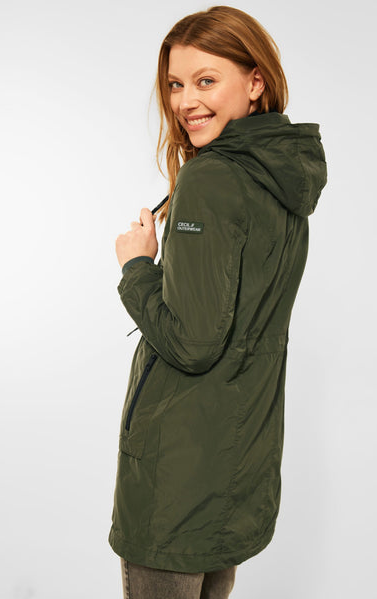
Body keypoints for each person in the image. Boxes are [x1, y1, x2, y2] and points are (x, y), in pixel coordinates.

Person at [109, 5, 327, 598]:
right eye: (175, 84)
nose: (186, 101)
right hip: (234, 467)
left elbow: (192, 342)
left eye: (206, 80)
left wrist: (136, 267)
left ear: (255, 82)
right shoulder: (279, 176)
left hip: (177, 481)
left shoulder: (211, 179)